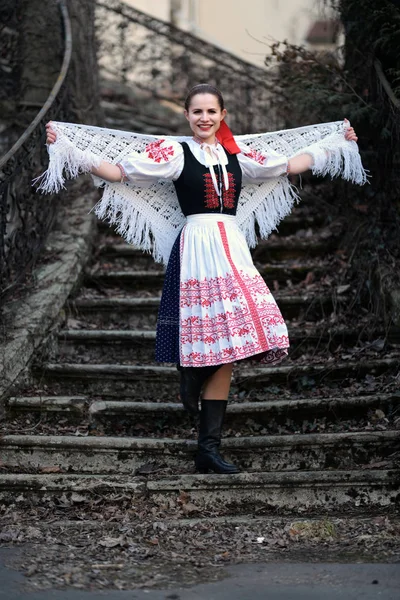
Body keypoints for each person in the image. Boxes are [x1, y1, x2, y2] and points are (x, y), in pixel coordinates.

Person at [44, 83, 360, 475]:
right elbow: (121, 172)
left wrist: (335, 144)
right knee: (214, 340)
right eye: (197, 112)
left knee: (254, 325)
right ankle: (204, 434)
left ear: (222, 114)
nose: (204, 118)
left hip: (232, 243)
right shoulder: (175, 153)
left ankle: (200, 410)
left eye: (211, 111)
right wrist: (70, 148)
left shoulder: (237, 152)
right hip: (195, 246)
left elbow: (288, 164)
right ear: (187, 116)